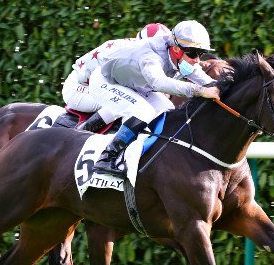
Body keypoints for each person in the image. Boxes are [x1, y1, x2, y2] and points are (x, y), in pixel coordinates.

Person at [87, 20, 221, 177]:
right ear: (176, 49)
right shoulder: (151, 55)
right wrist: (199, 91)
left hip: (134, 84)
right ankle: (106, 158)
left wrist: (225, 87)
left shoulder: (181, 55)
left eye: (200, 54)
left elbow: (206, 81)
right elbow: (158, 82)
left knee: (167, 110)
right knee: (143, 111)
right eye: (193, 54)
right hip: (106, 81)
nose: (197, 60)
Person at [61, 23, 171, 133]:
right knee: (121, 105)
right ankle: (78, 133)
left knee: (162, 105)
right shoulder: (124, 53)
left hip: (98, 85)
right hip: (77, 88)